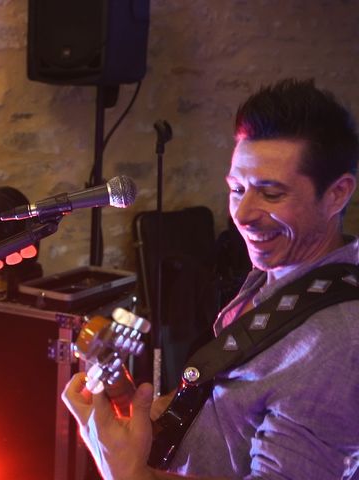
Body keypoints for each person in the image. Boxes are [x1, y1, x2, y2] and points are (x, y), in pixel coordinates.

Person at [63, 78, 359, 479]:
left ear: (337, 194)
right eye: (237, 188)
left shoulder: (339, 345)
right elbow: (228, 416)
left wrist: (125, 470)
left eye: (271, 194)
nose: (243, 213)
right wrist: (140, 411)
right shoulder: (280, 275)